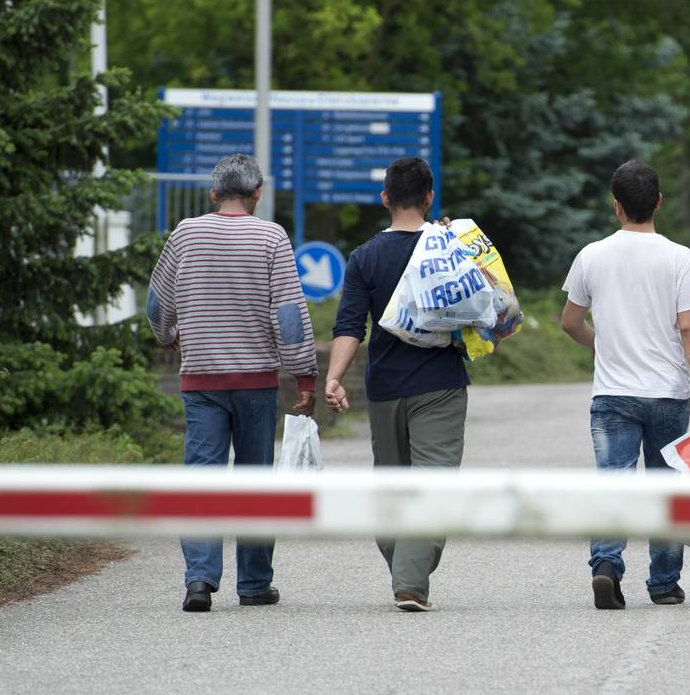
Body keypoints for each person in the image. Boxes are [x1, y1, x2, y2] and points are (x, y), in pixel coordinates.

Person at [147, 153, 317, 613]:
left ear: (213, 193)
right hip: (255, 380)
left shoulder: (185, 232)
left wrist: (169, 335)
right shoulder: (271, 236)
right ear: (257, 193)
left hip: (201, 377)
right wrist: (304, 374)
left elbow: (157, 299)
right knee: (255, 480)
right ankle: (255, 583)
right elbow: (288, 314)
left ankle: (199, 580)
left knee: (202, 477)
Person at [561, 160, 690, 610]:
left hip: (612, 393)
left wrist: (599, 345)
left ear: (616, 207)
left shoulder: (591, 255)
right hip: (667, 393)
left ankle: (607, 566)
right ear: (657, 202)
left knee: (613, 482)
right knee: (665, 485)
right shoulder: (679, 257)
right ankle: (664, 583)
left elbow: (570, 321)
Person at [324, 157, 469, 612]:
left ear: (385, 199)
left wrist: (334, 377)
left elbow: (350, 327)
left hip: (385, 387)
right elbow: (487, 312)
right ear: (429, 196)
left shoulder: (364, 257)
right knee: (434, 485)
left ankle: (408, 574)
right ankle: (410, 576)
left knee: (391, 484)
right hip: (441, 384)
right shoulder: (451, 249)